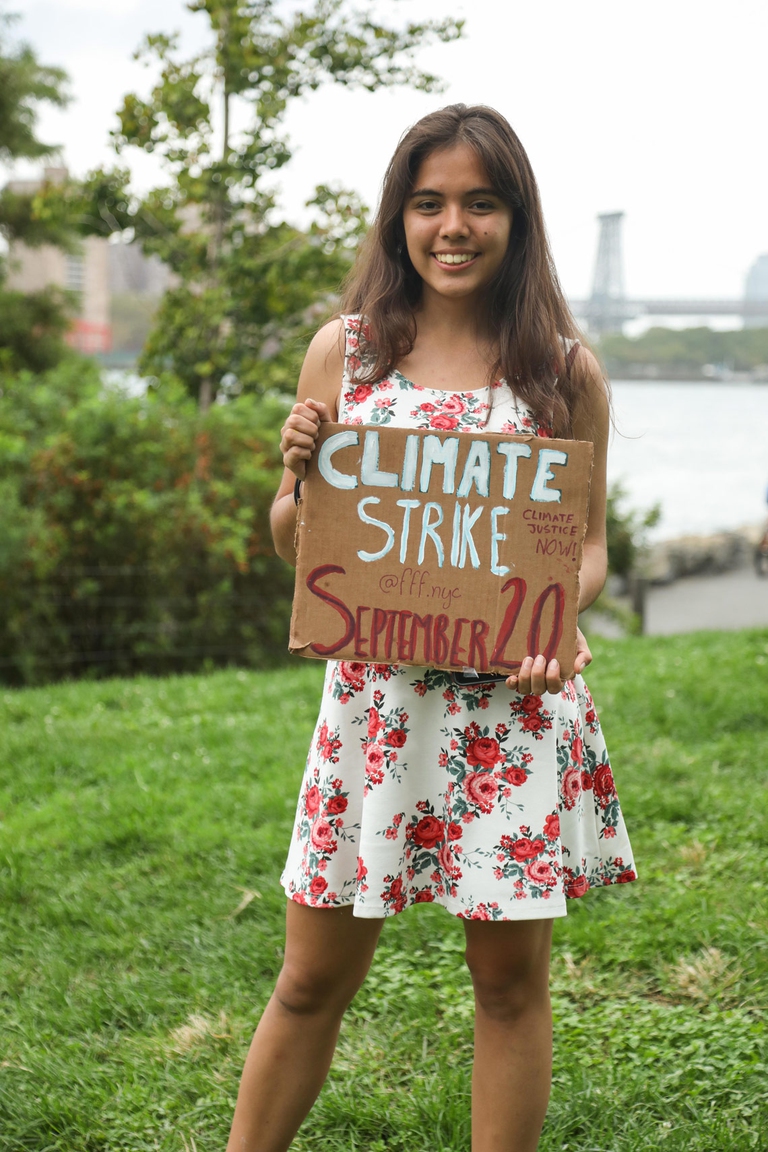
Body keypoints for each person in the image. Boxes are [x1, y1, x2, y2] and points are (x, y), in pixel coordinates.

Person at [227, 104, 636, 1152]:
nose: (453, 226)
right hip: (373, 714)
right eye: (430, 203)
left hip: (511, 717)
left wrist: (562, 616)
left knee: (507, 987)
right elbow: (293, 541)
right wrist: (294, 474)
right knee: (311, 978)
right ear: (399, 219)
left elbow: (586, 548)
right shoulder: (347, 353)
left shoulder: (561, 371)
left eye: (480, 203)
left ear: (517, 220)